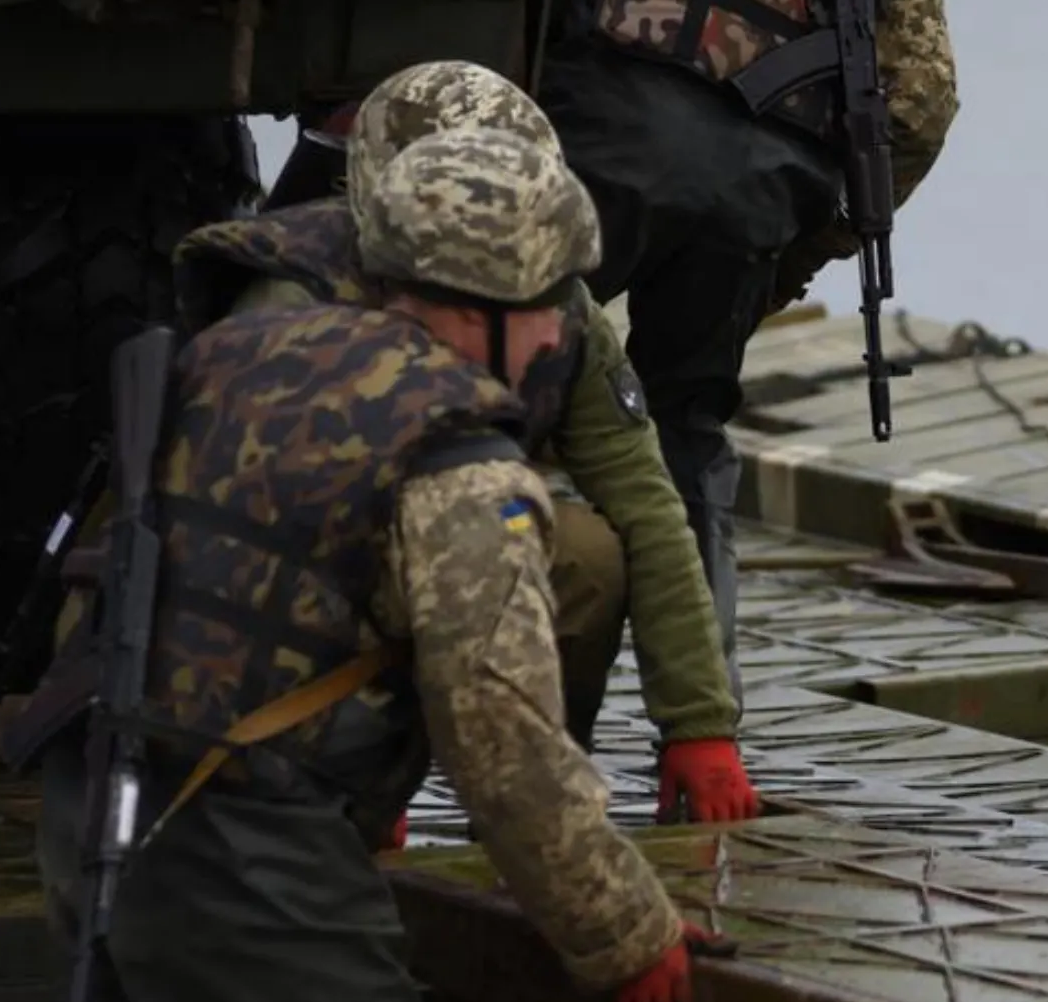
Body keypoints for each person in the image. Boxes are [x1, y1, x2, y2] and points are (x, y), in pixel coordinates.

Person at [0, 124, 732, 1002]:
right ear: (486, 308)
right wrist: (630, 932)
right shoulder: (454, 459)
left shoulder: (230, 351)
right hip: (245, 838)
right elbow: (500, 742)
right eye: (550, 308)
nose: (562, 340)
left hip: (93, 800)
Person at [189, 59, 757, 828]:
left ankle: (532, 788)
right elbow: (235, 557)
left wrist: (699, 725)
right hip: (312, 592)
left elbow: (648, 507)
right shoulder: (297, 308)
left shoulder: (558, 316)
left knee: (588, 552)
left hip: (451, 539)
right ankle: (342, 784)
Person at [533, 0, 961, 674]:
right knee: (687, 428)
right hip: (768, 189)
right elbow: (921, 105)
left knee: (490, 395)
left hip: (606, 141)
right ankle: (703, 728)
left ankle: (479, 698)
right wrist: (797, 254)